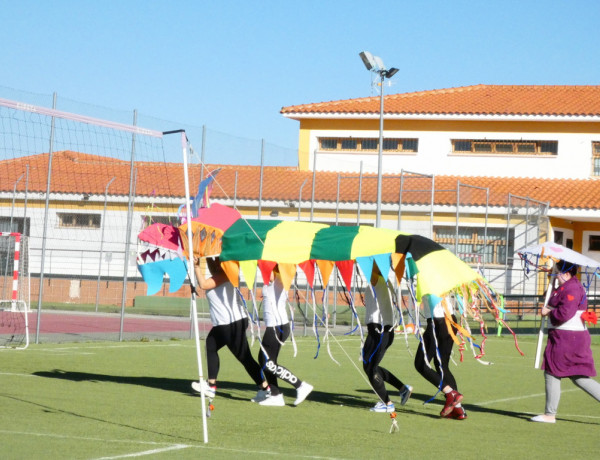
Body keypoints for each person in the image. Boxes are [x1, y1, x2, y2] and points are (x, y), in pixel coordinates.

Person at [191, 256, 270, 402]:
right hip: (224, 324)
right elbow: (212, 268)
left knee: (244, 358)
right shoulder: (218, 272)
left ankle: (265, 389)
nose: (214, 261)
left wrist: (196, 266)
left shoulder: (226, 273)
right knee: (210, 345)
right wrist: (205, 255)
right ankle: (211, 386)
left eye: (217, 259)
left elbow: (204, 284)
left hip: (231, 323)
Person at [531, 259, 600, 423]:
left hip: (568, 340)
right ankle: (549, 413)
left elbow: (564, 313)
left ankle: (549, 414)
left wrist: (548, 312)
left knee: (555, 371)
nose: (554, 275)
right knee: (575, 376)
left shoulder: (572, 288)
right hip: (565, 338)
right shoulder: (564, 287)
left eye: (556, 272)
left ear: (566, 273)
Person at [256, 267, 313, 406]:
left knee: (266, 363)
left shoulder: (276, 272)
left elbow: (269, 275)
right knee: (266, 361)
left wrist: (259, 259)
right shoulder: (276, 272)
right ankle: (276, 395)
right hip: (276, 326)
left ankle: (300, 386)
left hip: (277, 326)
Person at [362, 265, 412, 413]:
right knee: (371, 367)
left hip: (380, 331)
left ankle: (387, 404)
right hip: (378, 330)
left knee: (370, 368)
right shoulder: (382, 280)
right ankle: (402, 388)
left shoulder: (378, 278)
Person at [414, 295, 466, 420]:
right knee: (442, 366)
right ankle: (458, 409)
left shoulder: (429, 277)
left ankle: (450, 393)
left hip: (438, 322)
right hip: (450, 320)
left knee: (421, 364)